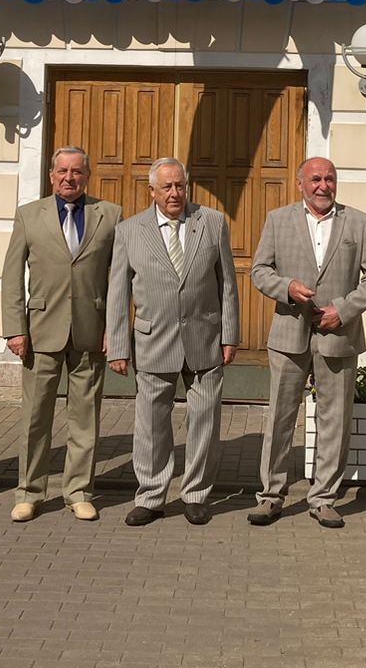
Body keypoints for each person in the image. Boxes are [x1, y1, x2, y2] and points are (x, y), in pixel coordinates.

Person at [247, 156, 366, 530]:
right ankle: (270, 496)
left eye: (329, 179)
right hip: (289, 335)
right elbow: (259, 271)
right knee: (280, 417)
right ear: (300, 184)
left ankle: (323, 499)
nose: (323, 186)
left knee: (335, 421)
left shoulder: (358, 222)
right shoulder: (278, 220)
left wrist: (343, 310)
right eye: (315, 179)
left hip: (338, 336)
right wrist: (287, 287)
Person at [106, 157, 238, 527]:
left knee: (204, 422)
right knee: (151, 425)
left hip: (204, 338)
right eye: (167, 187)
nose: (175, 193)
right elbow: (118, 293)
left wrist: (230, 335)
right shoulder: (129, 231)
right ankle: (151, 497)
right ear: (152, 191)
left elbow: (227, 283)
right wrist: (118, 346)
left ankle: (195, 495)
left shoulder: (211, 222)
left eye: (180, 185)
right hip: (153, 340)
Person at [1, 146, 122, 523]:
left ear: (87, 176)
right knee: (35, 417)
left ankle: (79, 491)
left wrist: (115, 329)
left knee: (85, 417)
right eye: (63, 171)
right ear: (51, 175)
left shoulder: (110, 215)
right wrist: (14, 329)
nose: (70, 178)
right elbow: (11, 276)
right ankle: (29, 492)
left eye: (77, 171)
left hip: (91, 330)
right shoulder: (28, 215)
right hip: (40, 332)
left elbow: (120, 279)